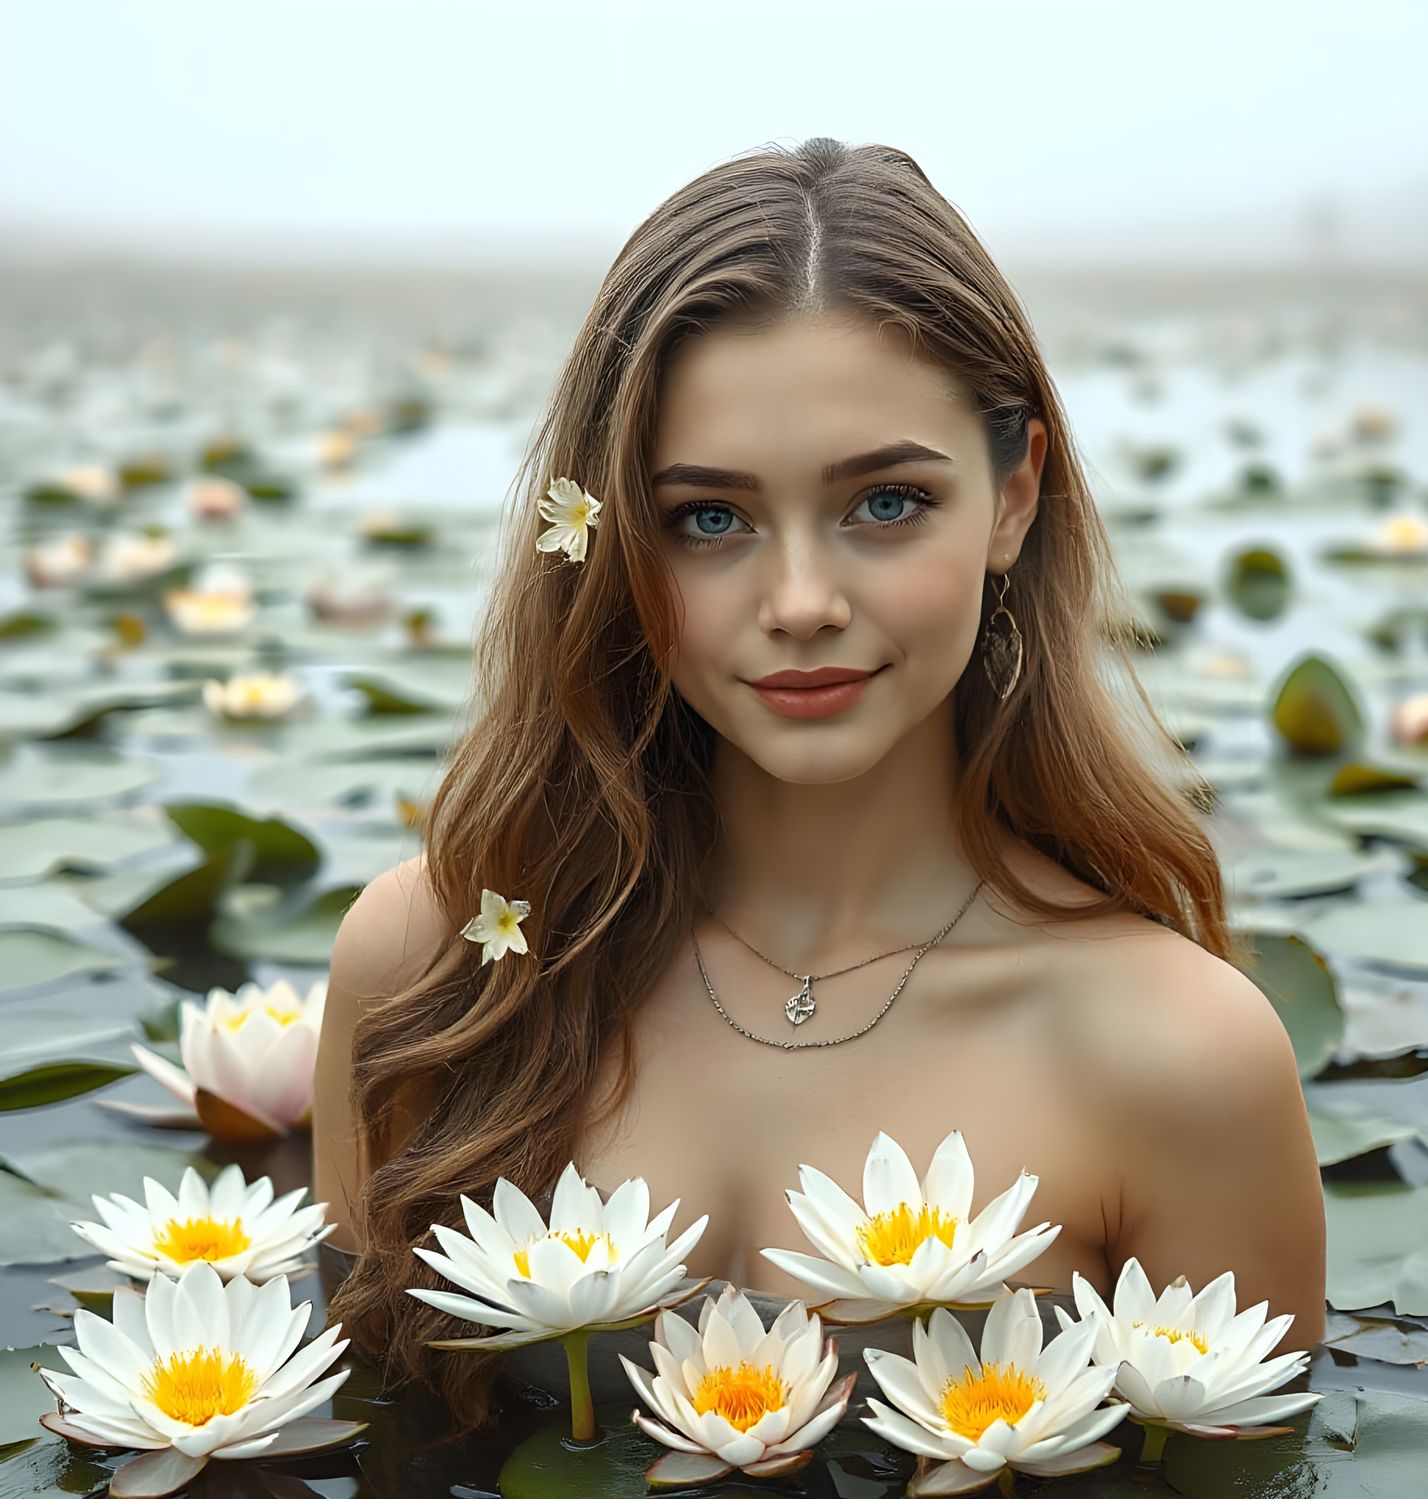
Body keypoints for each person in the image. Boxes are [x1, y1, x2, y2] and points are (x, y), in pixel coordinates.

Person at [314, 136, 1325, 1428]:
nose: (800, 604)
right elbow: (358, 1485)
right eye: (710, 519)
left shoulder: (1183, 1058)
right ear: (618, 537)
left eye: (886, 504)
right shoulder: (429, 969)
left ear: (1014, 497)